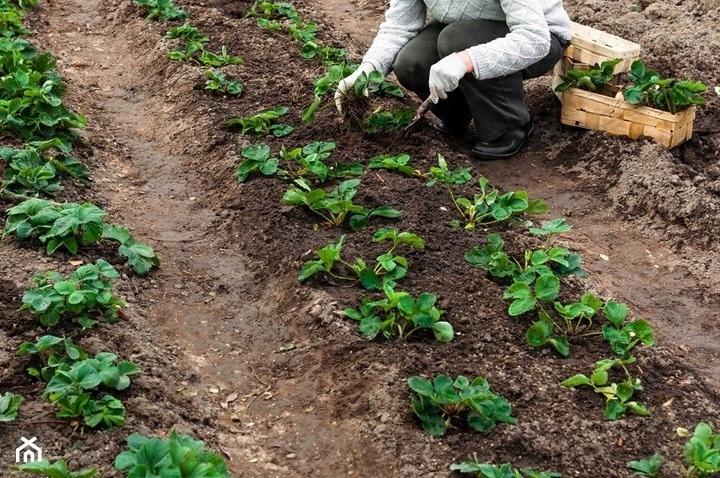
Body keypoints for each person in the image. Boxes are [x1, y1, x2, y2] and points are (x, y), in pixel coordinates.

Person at [334, 0, 573, 160]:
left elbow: (535, 39)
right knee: (412, 61)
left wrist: (466, 60)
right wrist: (367, 70)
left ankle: (509, 124)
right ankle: (457, 113)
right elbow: (398, 27)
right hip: (463, 28)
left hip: (541, 36)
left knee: (456, 40)